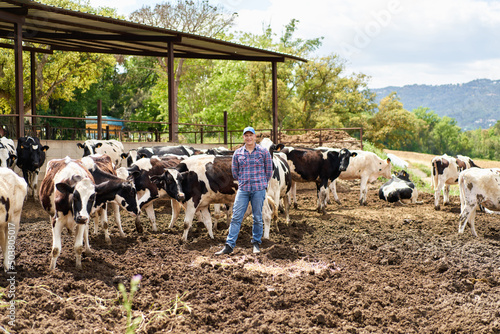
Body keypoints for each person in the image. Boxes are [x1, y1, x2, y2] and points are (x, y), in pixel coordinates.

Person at [215, 126, 273, 255]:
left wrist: (262, 183)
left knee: (257, 217)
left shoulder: (263, 152)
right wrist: (244, 181)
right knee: (236, 217)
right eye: (246, 135)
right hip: (243, 189)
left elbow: (269, 171)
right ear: (243, 137)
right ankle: (229, 245)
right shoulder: (238, 153)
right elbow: (235, 173)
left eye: (250, 135)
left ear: (255, 136)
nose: (248, 137)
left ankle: (256, 243)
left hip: (258, 189)